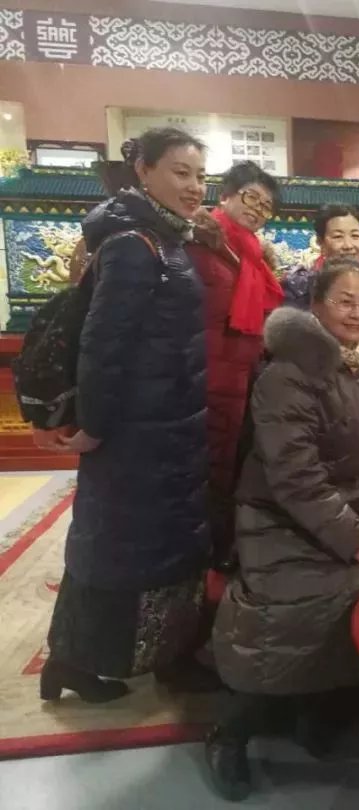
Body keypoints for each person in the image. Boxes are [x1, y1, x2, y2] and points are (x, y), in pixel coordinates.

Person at [207, 257, 359, 801]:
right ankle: (231, 733)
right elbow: (294, 478)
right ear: (317, 306)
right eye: (344, 302)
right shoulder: (288, 373)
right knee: (291, 614)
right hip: (277, 519)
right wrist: (356, 539)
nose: (357, 313)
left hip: (344, 512)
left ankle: (316, 710)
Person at [39, 127, 212, 703]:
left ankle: (168, 655)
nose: (194, 186)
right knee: (116, 547)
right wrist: (95, 424)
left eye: (200, 175)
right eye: (181, 172)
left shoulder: (167, 237)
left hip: (171, 426)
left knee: (165, 546)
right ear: (143, 170)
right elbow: (104, 345)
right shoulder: (133, 245)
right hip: (134, 435)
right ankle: (72, 661)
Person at [186, 161, 283, 570]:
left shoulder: (252, 256)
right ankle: (196, 562)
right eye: (250, 198)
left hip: (240, 377)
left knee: (229, 468)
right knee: (198, 473)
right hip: (200, 378)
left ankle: (218, 554)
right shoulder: (199, 242)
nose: (258, 209)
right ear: (225, 196)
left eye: (266, 205)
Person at [280, 203, 359, 343]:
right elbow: (289, 341)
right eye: (338, 237)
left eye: (355, 236)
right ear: (320, 242)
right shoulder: (299, 287)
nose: (348, 245)